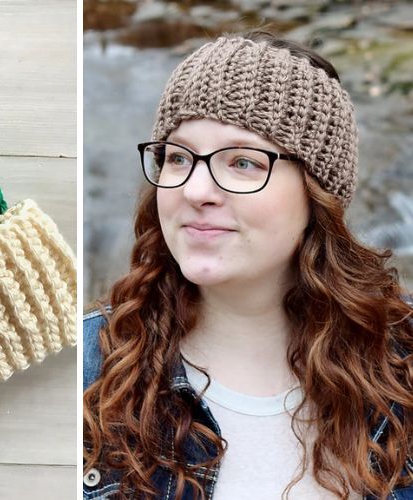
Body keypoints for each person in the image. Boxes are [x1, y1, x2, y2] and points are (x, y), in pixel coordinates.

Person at [82, 31, 413, 500]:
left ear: (317, 193)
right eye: (178, 157)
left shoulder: (403, 366)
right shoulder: (90, 373)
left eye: (242, 162)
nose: (195, 191)